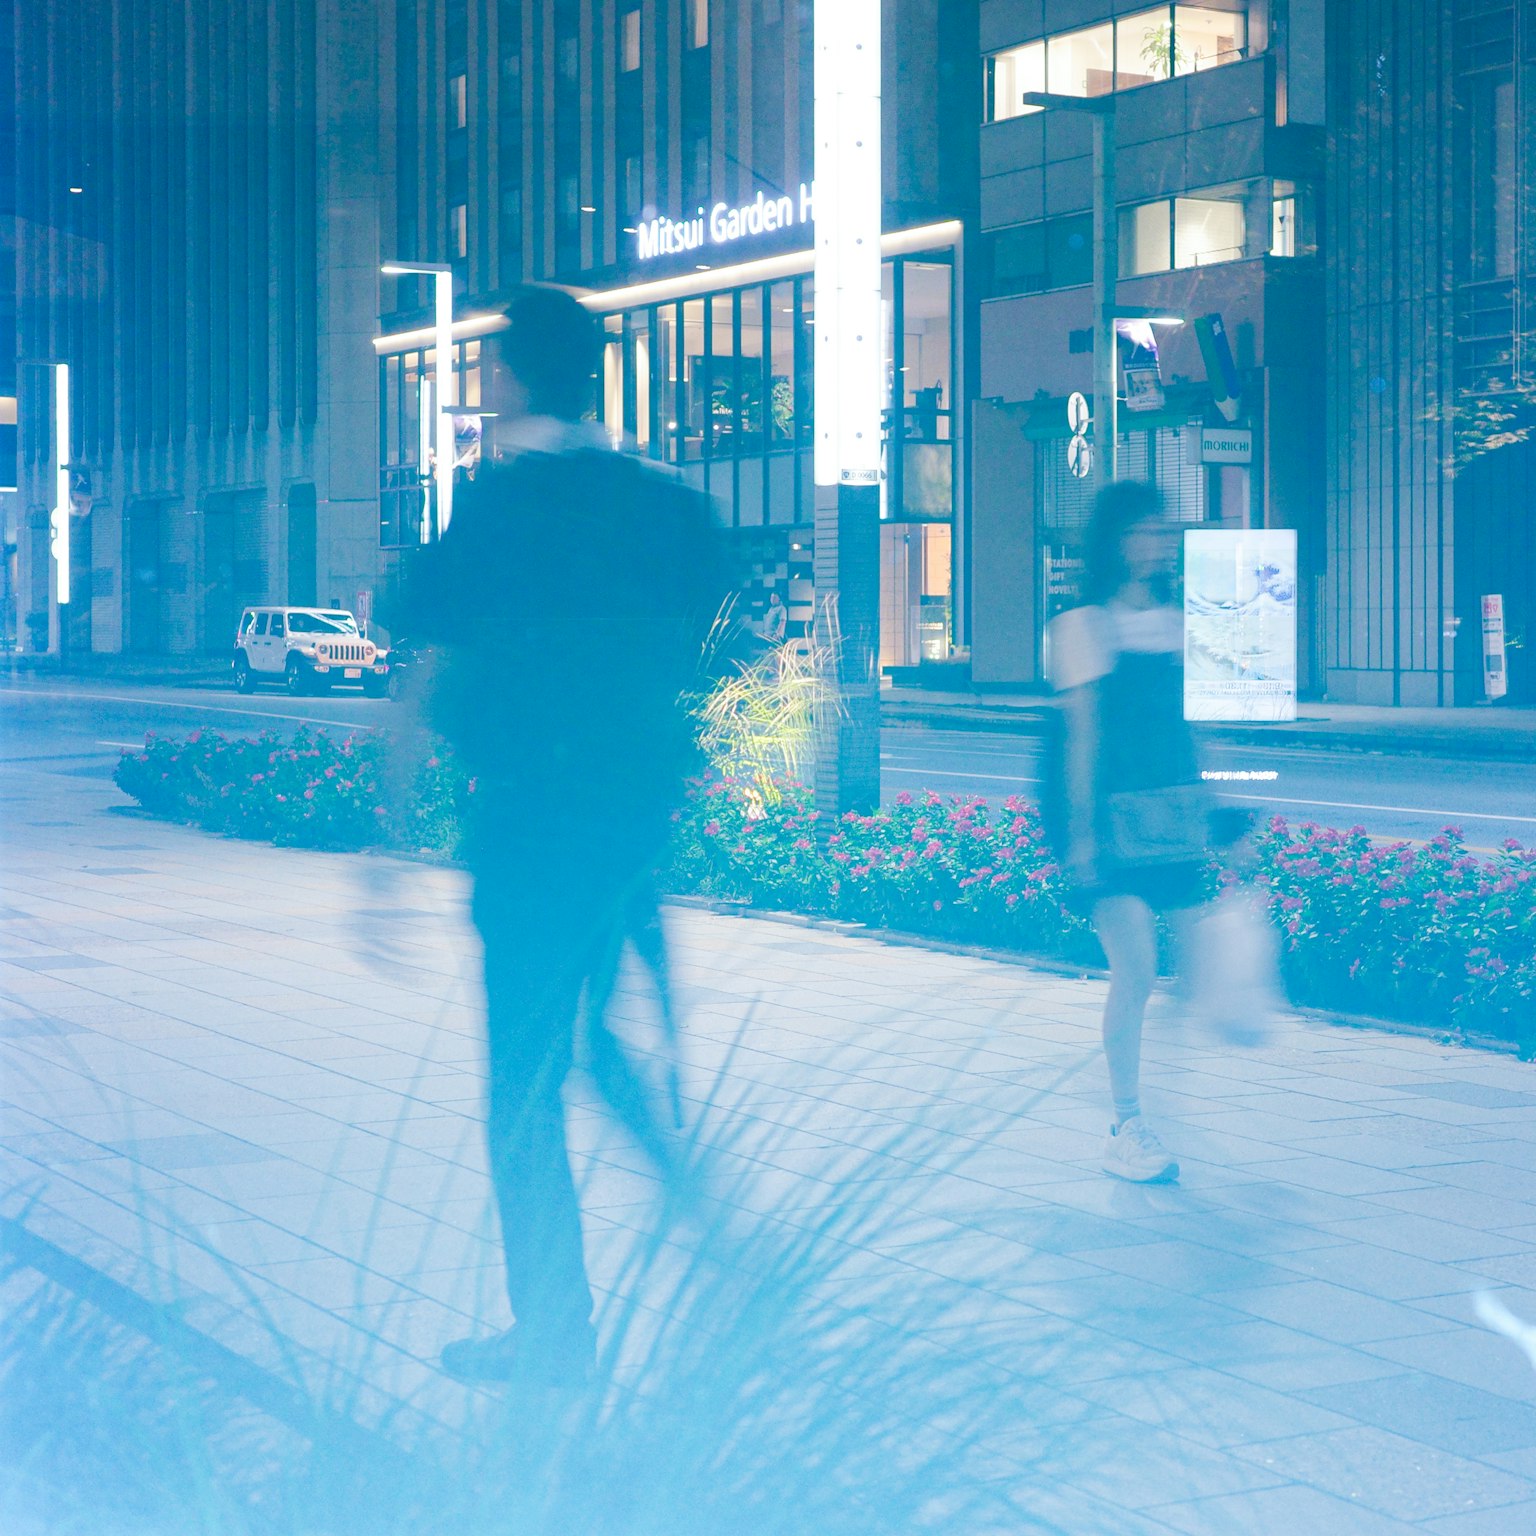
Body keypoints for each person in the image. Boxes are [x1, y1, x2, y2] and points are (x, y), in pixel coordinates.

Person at [401, 286, 727, 1385]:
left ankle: (555, 1330)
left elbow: (432, 649)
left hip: (530, 836)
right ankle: (696, 1198)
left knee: (524, 1091)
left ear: (509, 376)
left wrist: (386, 839)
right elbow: (705, 626)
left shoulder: (501, 505)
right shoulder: (656, 502)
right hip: (628, 828)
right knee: (594, 1035)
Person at [1048, 481, 1216, 1185]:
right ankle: (1128, 1123)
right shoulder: (1081, 625)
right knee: (1138, 968)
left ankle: (1140, 1096)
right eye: (1146, 530)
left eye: (1164, 530)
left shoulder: (1176, 622)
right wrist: (1081, 838)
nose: (1159, 541)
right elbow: (1080, 739)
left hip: (1168, 819)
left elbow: (1187, 731)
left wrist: (1214, 811)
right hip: (1108, 823)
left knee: (1197, 968)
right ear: (1116, 540)